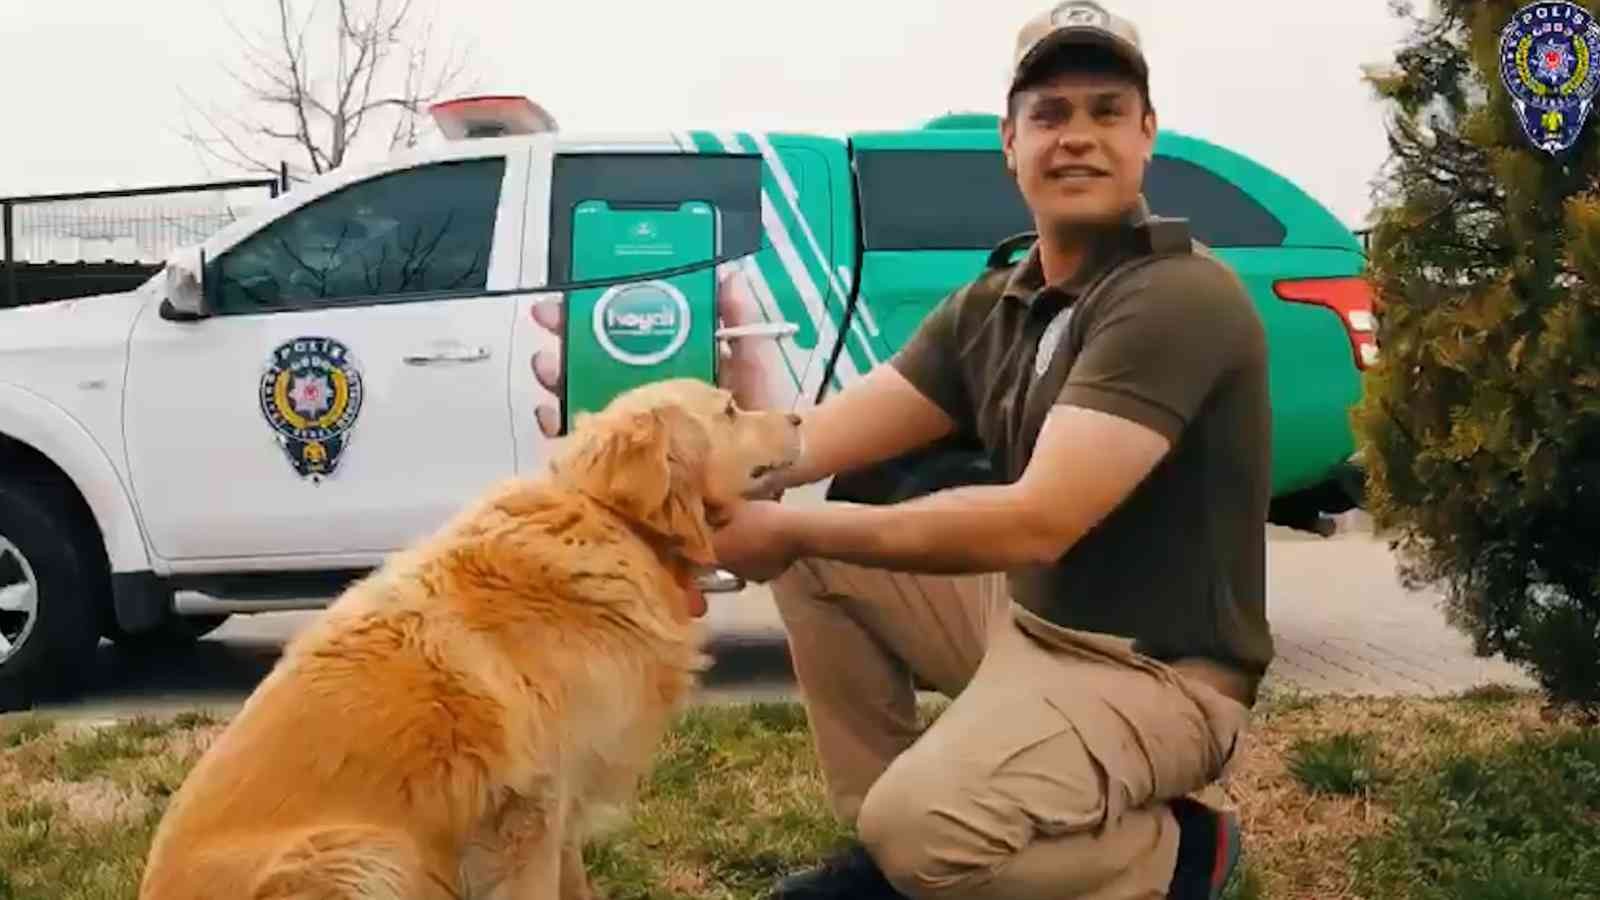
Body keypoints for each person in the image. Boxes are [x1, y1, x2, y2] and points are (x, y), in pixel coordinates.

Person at [707, 2, 1274, 899]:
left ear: (1147, 135)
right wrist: (705, 453)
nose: (1077, 137)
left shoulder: (1177, 297)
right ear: (1009, 142)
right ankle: (884, 858)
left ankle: (1172, 860)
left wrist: (794, 530)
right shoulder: (995, 304)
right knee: (816, 570)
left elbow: (1037, 521)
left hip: (1159, 673)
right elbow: (813, 443)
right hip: (1025, 626)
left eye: (1105, 111)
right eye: (1049, 115)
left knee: (816, 553)